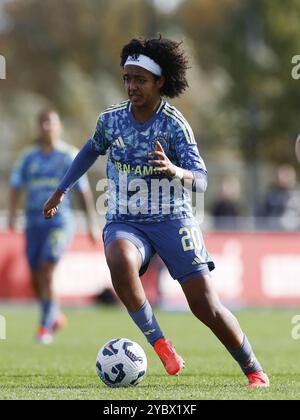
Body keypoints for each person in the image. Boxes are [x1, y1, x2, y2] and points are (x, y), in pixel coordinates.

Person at [43, 36, 269, 387]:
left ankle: (253, 368)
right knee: (118, 258)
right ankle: (160, 344)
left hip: (172, 218)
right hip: (125, 219)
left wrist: (175, 171)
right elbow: (90, 149)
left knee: (204, 305)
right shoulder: (112, 120)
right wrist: (61, 190)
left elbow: (202, 180)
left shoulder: (174, 125)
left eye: (140, 80)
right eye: (127, 79)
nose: (132, 86)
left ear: (160, 81)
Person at [8, 109, 99, 344]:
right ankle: (54, 315)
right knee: (36, 277)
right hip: (33, 223)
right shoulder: (28, 157)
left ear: (59, 127)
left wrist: (91, 224)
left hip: (60, 222)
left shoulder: (69, 156)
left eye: (52, 123)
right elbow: (16, 186)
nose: (47, 127)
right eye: (43, 123)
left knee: (47, 268)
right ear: (39, 127)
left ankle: (45, 326)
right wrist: (12, 214)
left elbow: (83, 193)